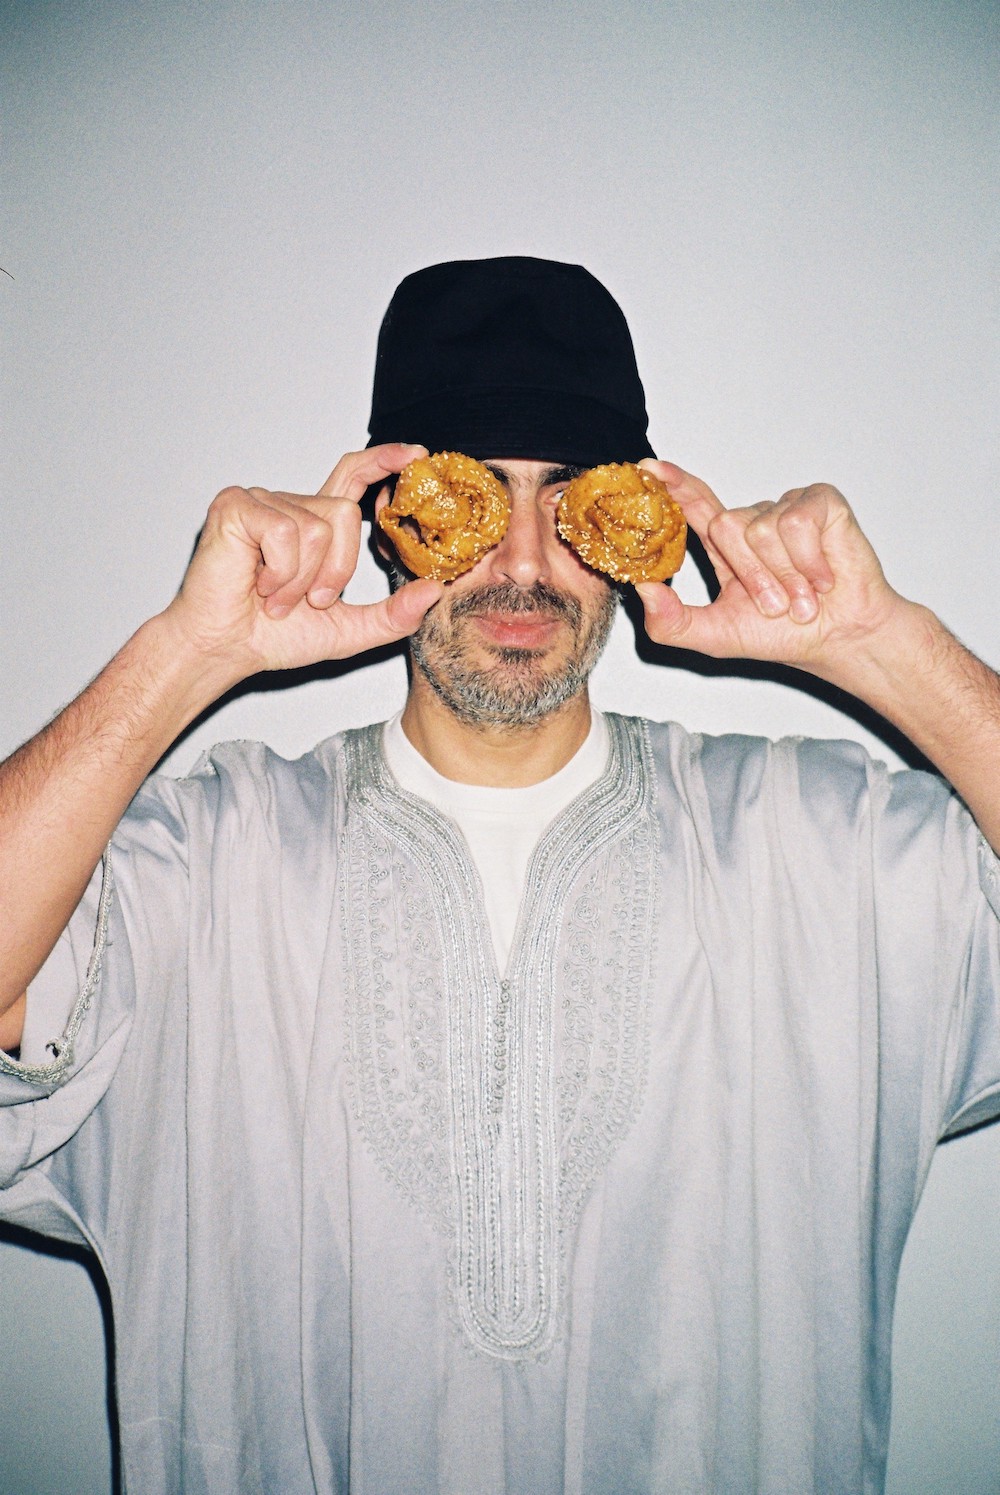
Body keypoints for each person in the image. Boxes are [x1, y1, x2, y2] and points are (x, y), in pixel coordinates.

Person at [1, 256, 998, 1495]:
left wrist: (883, 644)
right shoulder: (216, 862)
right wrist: (184, 655)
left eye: (577, 501)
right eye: (471, 497)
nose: (523, 561)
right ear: (386, 515)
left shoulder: (817, 849)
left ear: (641, 528)